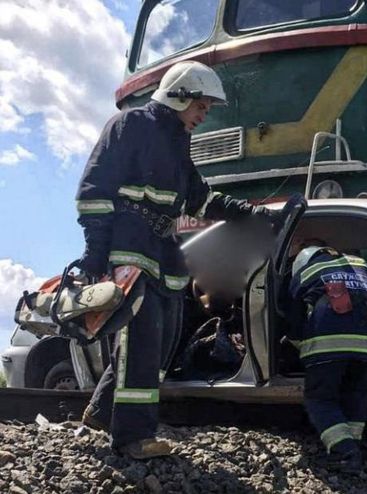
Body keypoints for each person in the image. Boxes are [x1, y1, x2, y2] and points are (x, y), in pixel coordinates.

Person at [76, 60, 304, 459]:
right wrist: (96, 252)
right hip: (129, 248)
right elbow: (94, 189)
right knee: (141, 339)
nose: (204, 114)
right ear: (179, 94)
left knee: (163, 341)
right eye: (202, 106)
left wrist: (254, 214)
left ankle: (102, 411)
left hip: (163, 251)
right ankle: (132, 438)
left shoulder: (177, 142)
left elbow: (202, 199)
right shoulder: (130, 125)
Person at [287, 245, 367, 473]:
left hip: (330, 342)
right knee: (355, 394)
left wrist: (297, 343)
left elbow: (293, 313)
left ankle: (344, 452)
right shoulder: (362, 265)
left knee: (320, 399)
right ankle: (352, 445)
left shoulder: (307, 271)